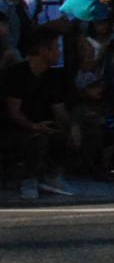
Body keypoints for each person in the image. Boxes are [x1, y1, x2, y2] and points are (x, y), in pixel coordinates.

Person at [4, 25, 72, 198]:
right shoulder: (16, 74)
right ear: (43, 50)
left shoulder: (54, 76)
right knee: (35, 139)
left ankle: (53, 176)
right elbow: (13, 111)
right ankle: (28, 179)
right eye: (56, 47)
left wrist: (71, 127)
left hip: (42, 124)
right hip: (13, 127)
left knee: (65, 134)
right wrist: (33, 126)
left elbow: (59, 109)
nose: (59, 52)